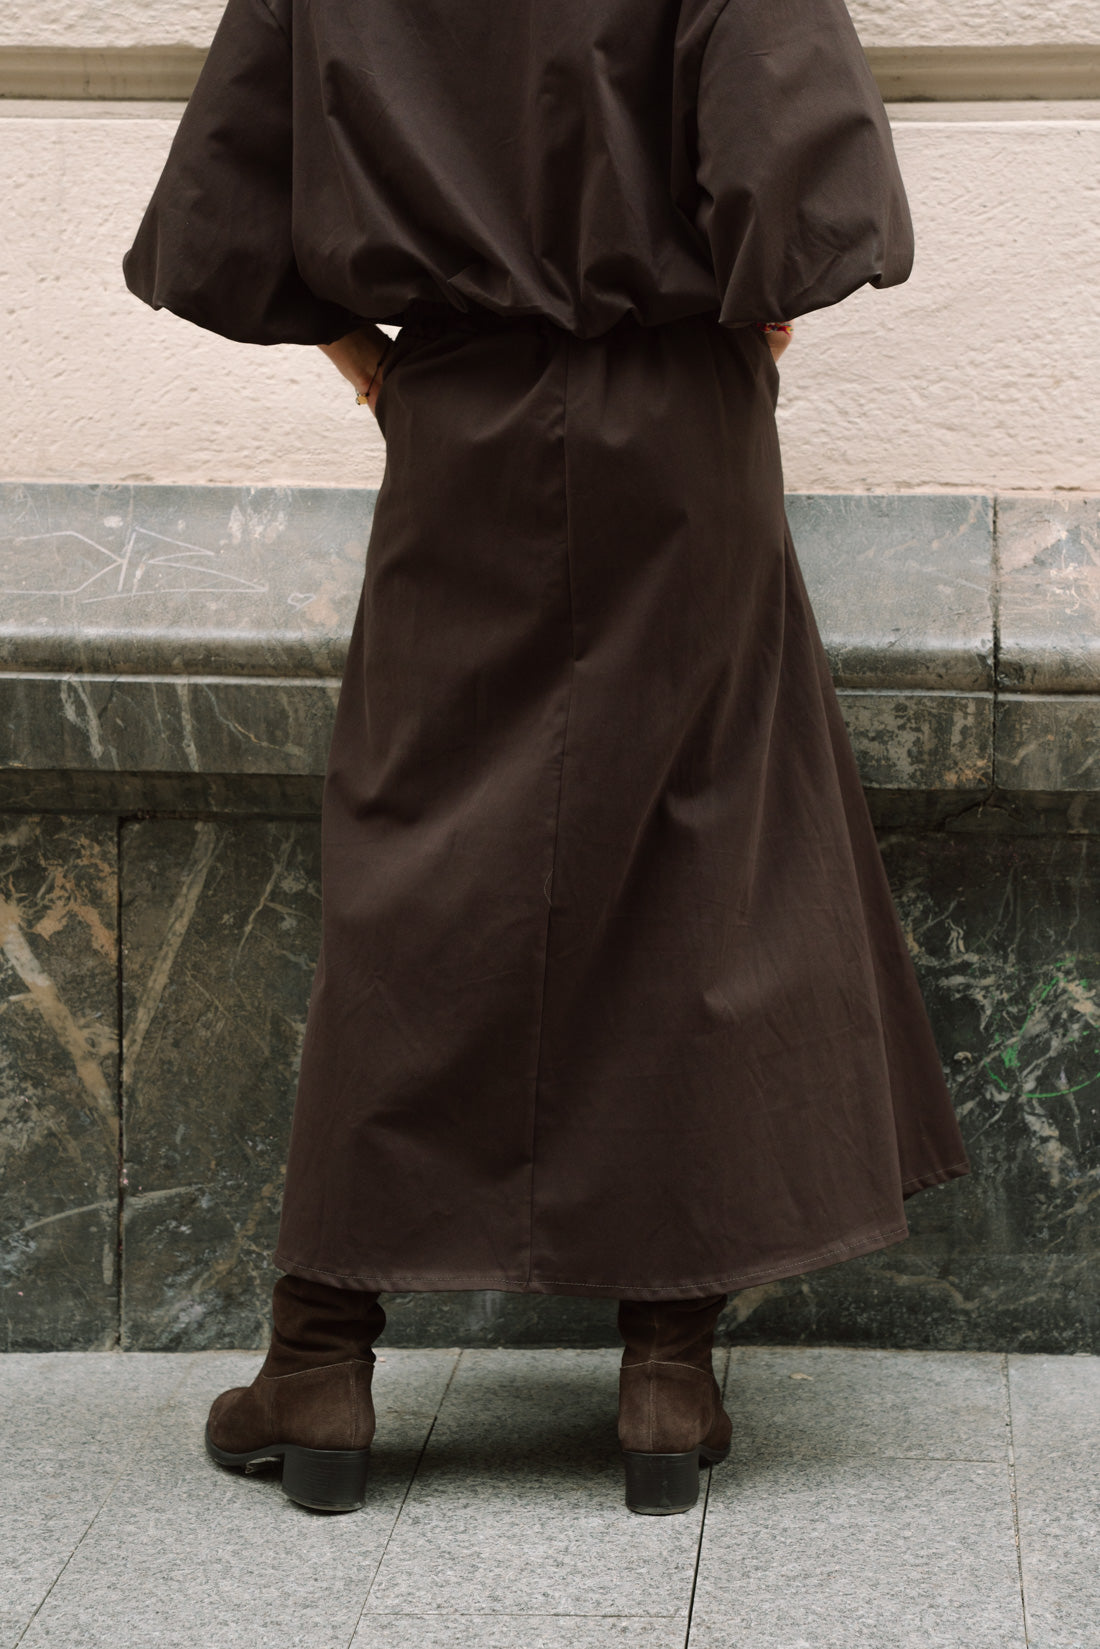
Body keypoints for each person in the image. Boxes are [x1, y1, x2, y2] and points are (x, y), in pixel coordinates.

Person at [123, 0, 970, 1517]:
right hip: (684, 422)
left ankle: (320, 1355)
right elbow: (797, 183)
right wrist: (747, 309)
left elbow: (223, 206)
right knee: (694, 845)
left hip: (460, 417)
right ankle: (666, 1372)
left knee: (415, 854)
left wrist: (377, 362)